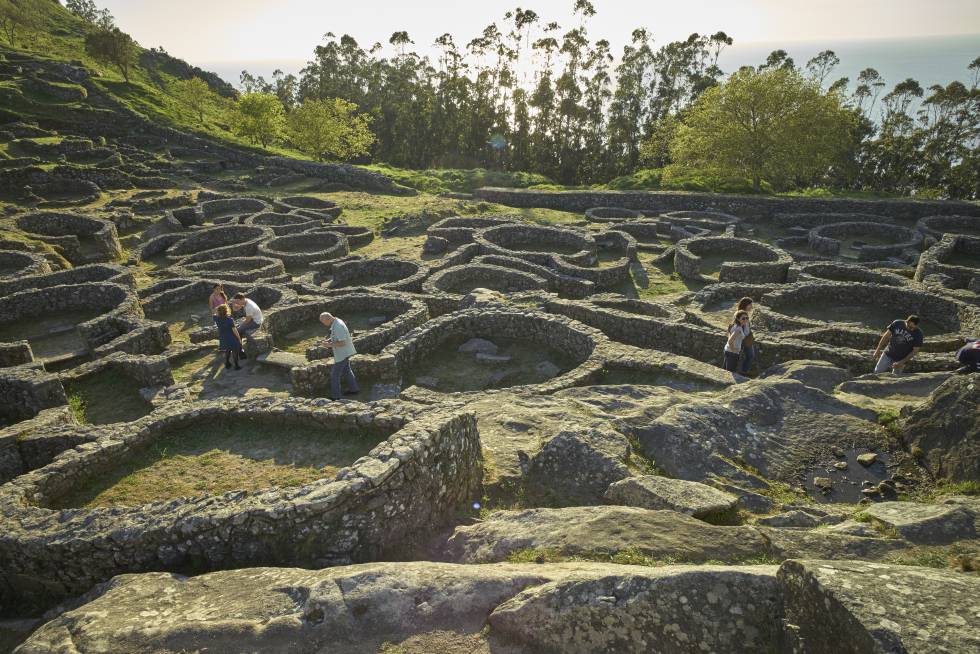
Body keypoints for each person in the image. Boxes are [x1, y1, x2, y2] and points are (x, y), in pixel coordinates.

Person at [320, 311, 359, 399]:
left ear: (327, 319)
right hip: (345, 352)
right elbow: (338, 337)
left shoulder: (338, 326)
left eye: (323, 322)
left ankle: (336, 396)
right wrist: (330, 340)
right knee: (347, 371)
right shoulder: (336, 322)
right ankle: (354, 389)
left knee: (335, 375)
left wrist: (329, 345)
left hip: (342, 354)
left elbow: (342, 343)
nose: (323, 324)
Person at [231, 292, 263, 356]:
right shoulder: (246, 300)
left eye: (238, 301)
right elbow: (236, 308)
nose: (237, 303)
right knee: (238, 327)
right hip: (254, 319)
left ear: (242, 299)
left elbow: (248, 320)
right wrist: (234, 303)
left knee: (237, 330)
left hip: (256, 322)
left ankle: (239, 348)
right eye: (237, 301)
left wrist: (241, 324)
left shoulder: (249, 307)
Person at [213, 304, 242, 370]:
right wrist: (239, 338)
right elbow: (235, 331)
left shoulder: (216, 318)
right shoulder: (230, 320)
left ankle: (227, 363)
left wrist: (217, 311)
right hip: (231, 337)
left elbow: (214, 312)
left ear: (218, 311)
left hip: (223, 337)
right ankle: (236, 366)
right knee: (234, 351)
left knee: (227, 350)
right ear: (227, 311)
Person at [736, 297, 756, 375]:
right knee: (750, 356)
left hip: (745, 338)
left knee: (748, 356)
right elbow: (739, 326)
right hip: (745, 339)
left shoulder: (742, 313)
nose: (752, 306)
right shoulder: (742, 314)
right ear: (746, 305)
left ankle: (743, 371)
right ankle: (743, 372)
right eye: (750, 304)